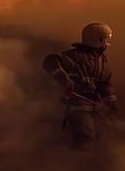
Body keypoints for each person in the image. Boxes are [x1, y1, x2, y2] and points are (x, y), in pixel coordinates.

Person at [43, 22, 119, 150]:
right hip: (75, 105)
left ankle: (97, 163)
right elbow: (50, 61)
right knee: (85, 134)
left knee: (105, 131)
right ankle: (78, 163)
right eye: (105, 41)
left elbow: (106, 85)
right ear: (98, 40)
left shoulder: (103, 62)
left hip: (94, 106)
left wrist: (112, 104)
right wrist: (64, 80)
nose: (106, 45)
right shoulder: (75, 57)